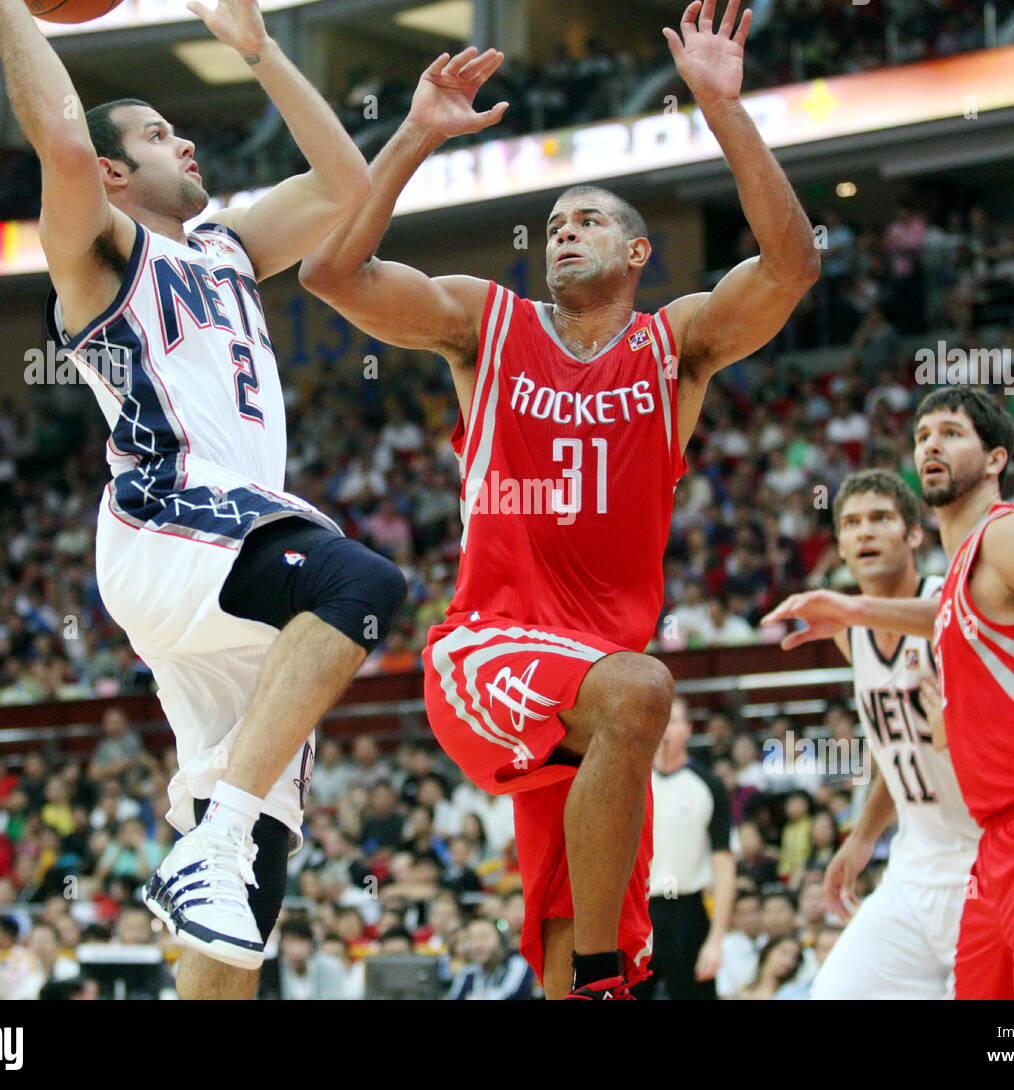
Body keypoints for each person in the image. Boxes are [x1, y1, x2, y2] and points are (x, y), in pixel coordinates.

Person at [299, 0, 816, 1000]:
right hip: (488, 651)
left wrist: (722, 111)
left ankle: (583, 977)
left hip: (590, 714)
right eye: (559, 220)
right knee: (643, 693)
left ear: (635, 256)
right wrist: (414, 134)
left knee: (571, 940)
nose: (567, 229)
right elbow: (332, 273)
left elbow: (792, 266)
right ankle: (596, 980)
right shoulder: (486, 324)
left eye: (593, 221)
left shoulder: (676, 347)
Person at [0, 0, 406, 999]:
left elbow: (349, 184)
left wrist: (260, 52)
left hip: (233, 567)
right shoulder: (100, 255)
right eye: (160, 135)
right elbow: (63, 143)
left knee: (238, 922)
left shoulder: (226, 247)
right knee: (360, 578)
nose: (188, 143)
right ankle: (214, 833)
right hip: (171, 520)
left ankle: (218, 844)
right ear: (118, 169)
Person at [765, 387, 1014, 999]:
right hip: (993, 846)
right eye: (921, 437)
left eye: (950, 431)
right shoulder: (964, 575)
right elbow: (942, 610)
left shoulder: (1010, 537)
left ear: (995, 458)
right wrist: (853, 607)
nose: (931, 445)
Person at [809, 469, 980, 999]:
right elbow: (896, 749)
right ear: (838, 545)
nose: (865, 532)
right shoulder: (851, 634)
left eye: (881, 519)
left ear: (913, 535)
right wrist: (862, 839)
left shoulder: (956, 609)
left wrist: (958, 733)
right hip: (913, 864)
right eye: (853, 523)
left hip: (986, 863)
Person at [634, 697, 734, 999]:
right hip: (638, 913)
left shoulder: (709, 785)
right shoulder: (631, 784)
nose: (665, 730)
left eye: (673, 721)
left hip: (688, 913)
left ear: (688, 729)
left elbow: (724, 864)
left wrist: (716, 940)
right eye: (659, 721)